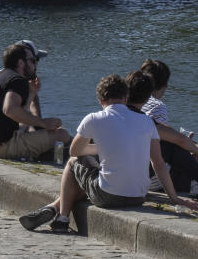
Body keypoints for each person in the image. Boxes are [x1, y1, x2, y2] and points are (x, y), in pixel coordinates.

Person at [19, 74, 198, 233]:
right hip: (138, 196)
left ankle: (62, 218)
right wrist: (174, 198)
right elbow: (158, 163)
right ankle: (52, 208)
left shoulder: (94, 118)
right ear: (125, 96)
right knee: (88, 181)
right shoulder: (146, 121)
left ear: (100, 99)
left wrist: (102, 147)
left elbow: (75, 151)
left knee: (74, 162)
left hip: (109, 197)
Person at [0, 40, 70, 160]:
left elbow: (17, 117)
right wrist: (43, 123)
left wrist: (32, 94)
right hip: (0, 148)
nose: (35, 66)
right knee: (62, 134)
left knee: (31, 129)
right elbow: (9, 109)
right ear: (21, 63)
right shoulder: (18, 80)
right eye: (33, 61)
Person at [138, 59, 198, 195]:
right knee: (180, 149)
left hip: (130, 172)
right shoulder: (157, 106)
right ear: (165, 85)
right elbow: (158, 144)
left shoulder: (125, 103)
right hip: (152, 178)